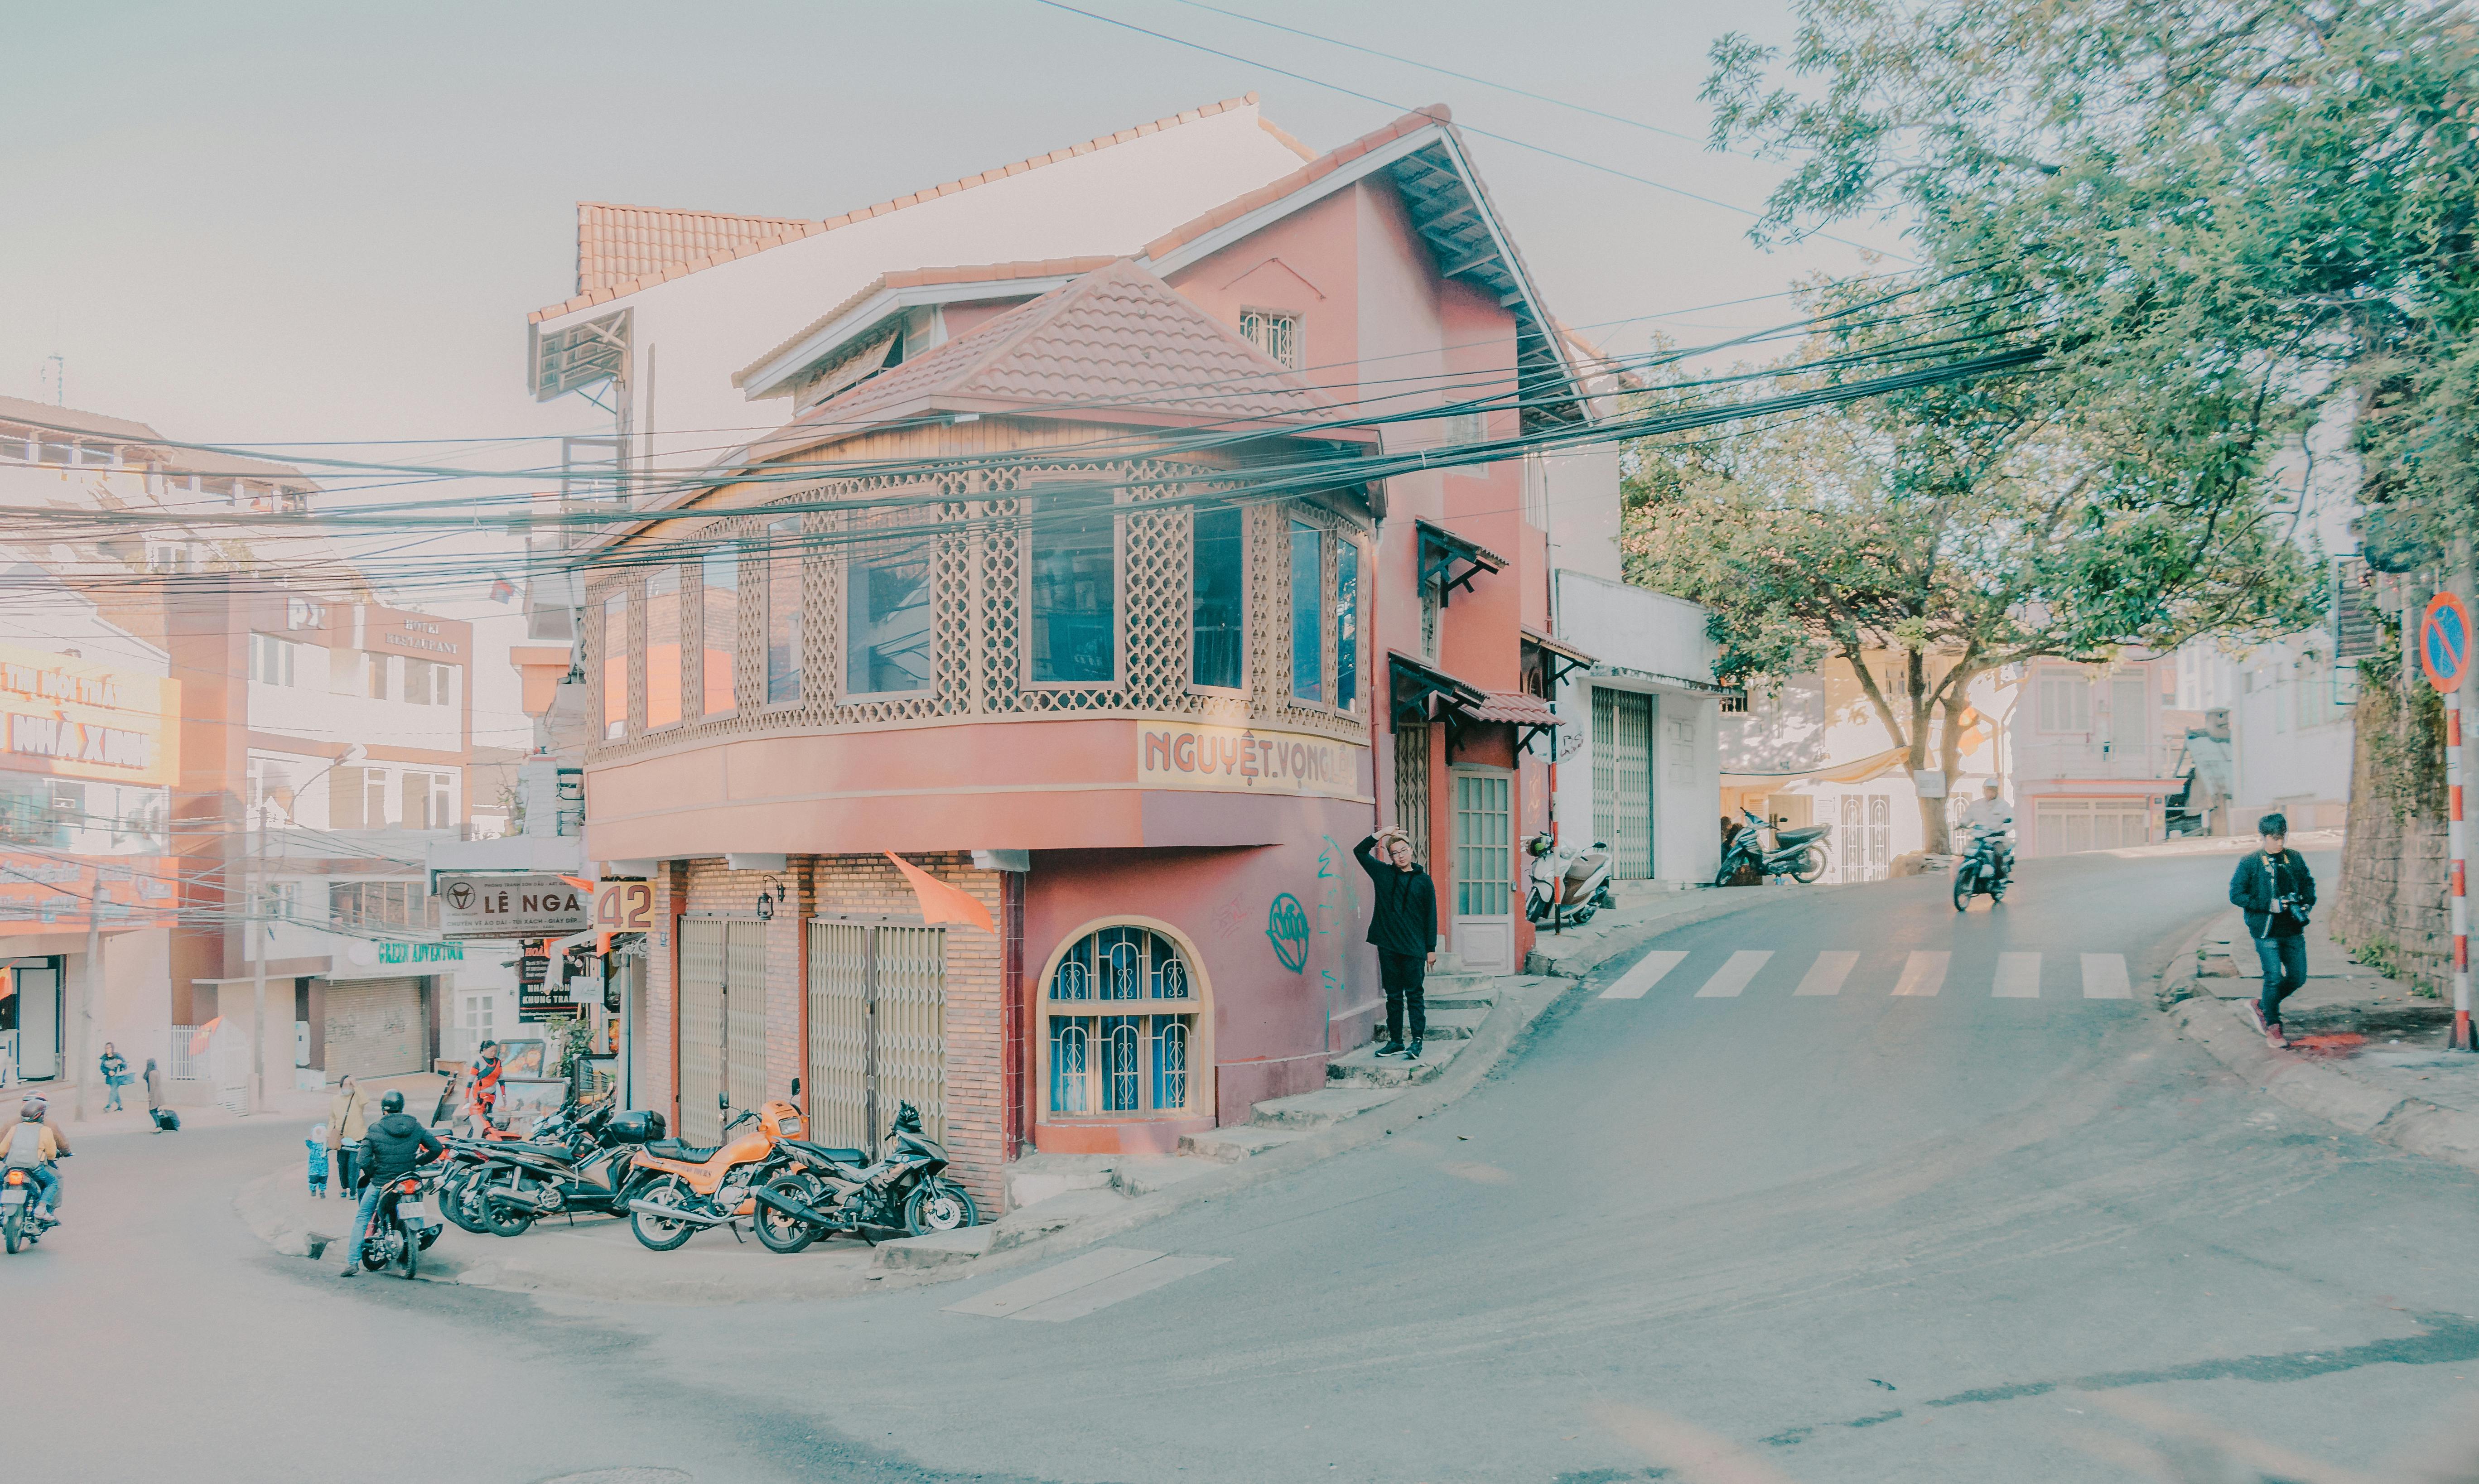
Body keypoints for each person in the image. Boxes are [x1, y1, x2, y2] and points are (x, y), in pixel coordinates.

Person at [2230, 812, 2317, 1049]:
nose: (2280, 843)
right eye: (2275, 838)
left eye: (2282, 837)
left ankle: (2261, 1006)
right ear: (2264, 837)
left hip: (2292, 929)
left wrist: (2307, 903)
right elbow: (2236, 895)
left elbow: (2308, 883)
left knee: (2298, 977)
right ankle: (2273, 1026)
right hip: (2266, 931)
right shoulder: (2250, 862)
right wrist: (2269, 905)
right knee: (2274, 978)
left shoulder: (2294, 858)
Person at [1354, 827, 1439, 1060]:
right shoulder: (1383, 874)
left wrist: (1431, 949)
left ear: (1411, 851)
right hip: (1388, 946)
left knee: (1414, 996)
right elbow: (1359, 852)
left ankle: (1417, 1042)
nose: (1400, 856)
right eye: (1395, 853)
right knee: (1393, 996)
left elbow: (1430, 916)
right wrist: (1381, 834)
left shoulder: (1424, 881)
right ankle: (1396, 1042)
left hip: (1414, 948)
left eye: (1403, 851)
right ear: (1390, 856)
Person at [339, 1090, 440, 1278]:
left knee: (363, 1216)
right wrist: (417, 1163)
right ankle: (418, 1236)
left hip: (382, 1183)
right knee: (418, 1208)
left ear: (384, 1109)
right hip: (409, 1179)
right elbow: (436, 1148)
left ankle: (352, 1262)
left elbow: (363, 1160)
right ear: (402, 1107)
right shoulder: (415, 1126)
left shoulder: (375, 1129)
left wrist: (374, 1173)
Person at [0, 1095, 70, 1217]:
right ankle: (42, 1207)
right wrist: (52, 1156)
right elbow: (51, 1154)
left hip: (12, 1167)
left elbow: (2, 1149)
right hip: (35, 1168)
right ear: (41, 1115)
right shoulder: (45, 1130)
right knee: (54, 1182)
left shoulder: (15, 1128)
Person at [1958, 780, 2014, 882]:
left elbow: (2010, 820)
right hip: (1979, 837)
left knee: (1998, 854)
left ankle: (2000, 879)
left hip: (1996, 838)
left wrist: (2003, 830)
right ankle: (1967, 877)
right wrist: (1962, 824)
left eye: (1992, 790)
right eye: (1988, 790)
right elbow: (1968, 816)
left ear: (1996, 791)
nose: (1990, 793)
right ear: (1984, 791)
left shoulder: (2004, 806)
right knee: (1968, 852)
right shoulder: (1977, 805)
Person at [327, 1074, 369, 1193]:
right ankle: (344, 1186)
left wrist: (356, 1085)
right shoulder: (335, 1100)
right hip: (342, 1139)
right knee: (343, 1165)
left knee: (354, 1165)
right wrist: (329, 1135)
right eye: (345, 1085)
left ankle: (353, 1190)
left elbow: (365, 1100)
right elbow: (332, 1119)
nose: (348, 1087)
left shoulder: (357, 1097)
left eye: (350, 1085)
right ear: (341, 1086)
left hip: (357, 1138)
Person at [465, 1040, 505, 1134]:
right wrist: (466, 1098)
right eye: (491, 1051)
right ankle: (473, 1135)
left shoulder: (498, 1062)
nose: (494, 1053)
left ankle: (487, 1135)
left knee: (489, 1114)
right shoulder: (478, 1062)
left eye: (495, 1051)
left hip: (492, 1094)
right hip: (480, 1094)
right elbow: (470, 1082)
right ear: (484, 1050)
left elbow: (501, 1080)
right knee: (482, 1116)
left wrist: (504, 1095)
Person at [142, 1058, 170, 1130]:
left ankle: (159, 1126)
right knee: (156, 1110)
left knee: (152, 1111)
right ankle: (160, 1125)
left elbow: (152, 1086)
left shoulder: (151, 1073)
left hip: (154, 1095)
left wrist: (150, 1097)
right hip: (159, 1093)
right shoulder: (157, 1072)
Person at [305, 1124, 331, 1198]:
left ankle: (322, 1191)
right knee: (313, 1178)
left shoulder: (325, 1144)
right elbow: (307, 1142)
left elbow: (332, 1146)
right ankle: (313, 1189)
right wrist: (308, 1139)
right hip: (314, 1165)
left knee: (323, 1178)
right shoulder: (312, 1144)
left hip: (324, 1166)